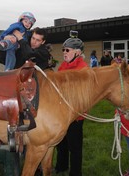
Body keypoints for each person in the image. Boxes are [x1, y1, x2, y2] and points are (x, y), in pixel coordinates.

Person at [55, 34, 88, 176]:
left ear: (77, 52)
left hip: (75, 115)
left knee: (74, 147)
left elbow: (83, 93)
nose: (64, 53)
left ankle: (75, 173)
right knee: (60, 143)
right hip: (61, 112)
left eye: (67, 50)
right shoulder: (63, 66)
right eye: (63, 50)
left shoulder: (83, 68)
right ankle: (61, 166)